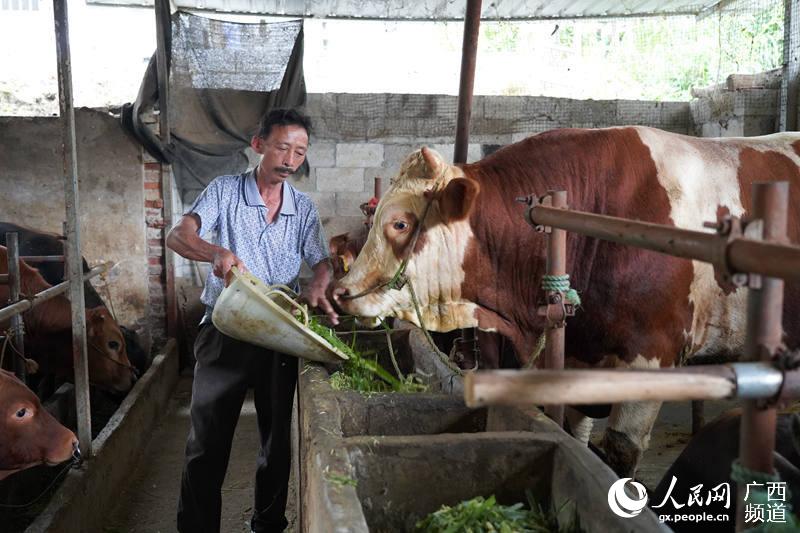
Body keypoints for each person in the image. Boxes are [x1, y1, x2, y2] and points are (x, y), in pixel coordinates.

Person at [167, 108, 338, 533]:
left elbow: (322, 262)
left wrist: (319, 282)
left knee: (277, 444)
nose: (290, 159)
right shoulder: (224, 191)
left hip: (279, 335)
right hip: (224, 329)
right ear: (258, 144)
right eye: (282, 147)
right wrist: (216, 254)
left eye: (300, 151)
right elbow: (178, 235)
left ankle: (267, 525)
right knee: (207, 445)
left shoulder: (302, 208)